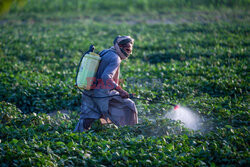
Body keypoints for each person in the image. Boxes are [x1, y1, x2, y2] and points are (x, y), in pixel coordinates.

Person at [74, 36, 138, 132]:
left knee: (88, 117)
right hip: (103, 94)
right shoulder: (115, 58)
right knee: (129, 106)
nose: (129, 53)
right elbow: (106, 77)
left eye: (130, 50)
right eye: (127, 49)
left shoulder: (105, 52)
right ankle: (131, 131)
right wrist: (121, 90)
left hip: (89, 89)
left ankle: (77, 135)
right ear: (120, 46)